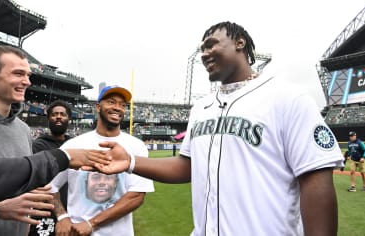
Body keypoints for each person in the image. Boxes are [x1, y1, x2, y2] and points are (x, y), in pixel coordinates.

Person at [95, 21, 344, 236]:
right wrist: (130, 161)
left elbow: (315, 178)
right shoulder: (201, 107)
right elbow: (187, 166)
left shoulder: (287, 97)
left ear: (240, 43)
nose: (205, 53)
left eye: (212, 44)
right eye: (202, 49)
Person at [0, 46, 109, 235]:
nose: (27, 82)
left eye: (28, 75)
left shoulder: (23, 129)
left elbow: (25, 192)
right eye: (18, 73)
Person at [50, 85, 154, 236]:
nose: (117, 107)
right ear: (98, 107)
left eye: (122, 105)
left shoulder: (136, 146)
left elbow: (136, 196)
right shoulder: (73, 145)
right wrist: (62, 217)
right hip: (76, 232)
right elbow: (50, 187)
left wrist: (91, 224)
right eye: (111, 102)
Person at [29, 100, 73, 236]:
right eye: (54, 114)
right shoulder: (38, 145)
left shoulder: (75, 145)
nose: (58, 117)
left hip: (71, 208)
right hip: (45, 210)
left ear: (69, 119)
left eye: (62, 114)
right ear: (48, 119)